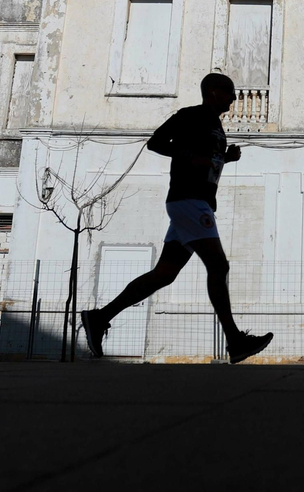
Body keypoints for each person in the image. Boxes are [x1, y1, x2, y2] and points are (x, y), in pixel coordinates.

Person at [82, 73, 273, 363]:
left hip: (197, 203)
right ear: (212, 92)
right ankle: (234, 340)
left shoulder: (215, 124)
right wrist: (187, 156)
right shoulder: (190, 116)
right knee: (218, 265)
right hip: (189, 202)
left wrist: (227, 157)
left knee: (165, 274)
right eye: (229, 92)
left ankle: (100, 317)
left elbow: (209, 161)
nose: (234, 99)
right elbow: (156, 142)